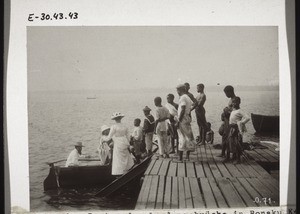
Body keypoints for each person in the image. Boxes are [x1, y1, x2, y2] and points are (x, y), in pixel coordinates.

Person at [174, 84, 196, 162]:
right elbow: (193, 104)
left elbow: (182, 109)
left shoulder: (183, 97)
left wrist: (178, 121)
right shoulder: (188, 97)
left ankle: (180, 158)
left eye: (177, 90)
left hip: (183, 119)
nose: (177, 92)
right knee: (188, 137)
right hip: (187, 118)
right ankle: (187, 157)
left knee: (181, 137)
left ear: (179, 90)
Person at [227, 97, 250, 164]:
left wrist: (242, 123)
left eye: (235, 102)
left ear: (239, 103)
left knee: (237, 143)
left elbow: (247, 118)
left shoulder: (240, 111)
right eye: (233, 102)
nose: (234, 104)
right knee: (232, 143)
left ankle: (238, 159)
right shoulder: (233, 110)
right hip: (231, 128)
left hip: (236, 129)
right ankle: (234, 157)